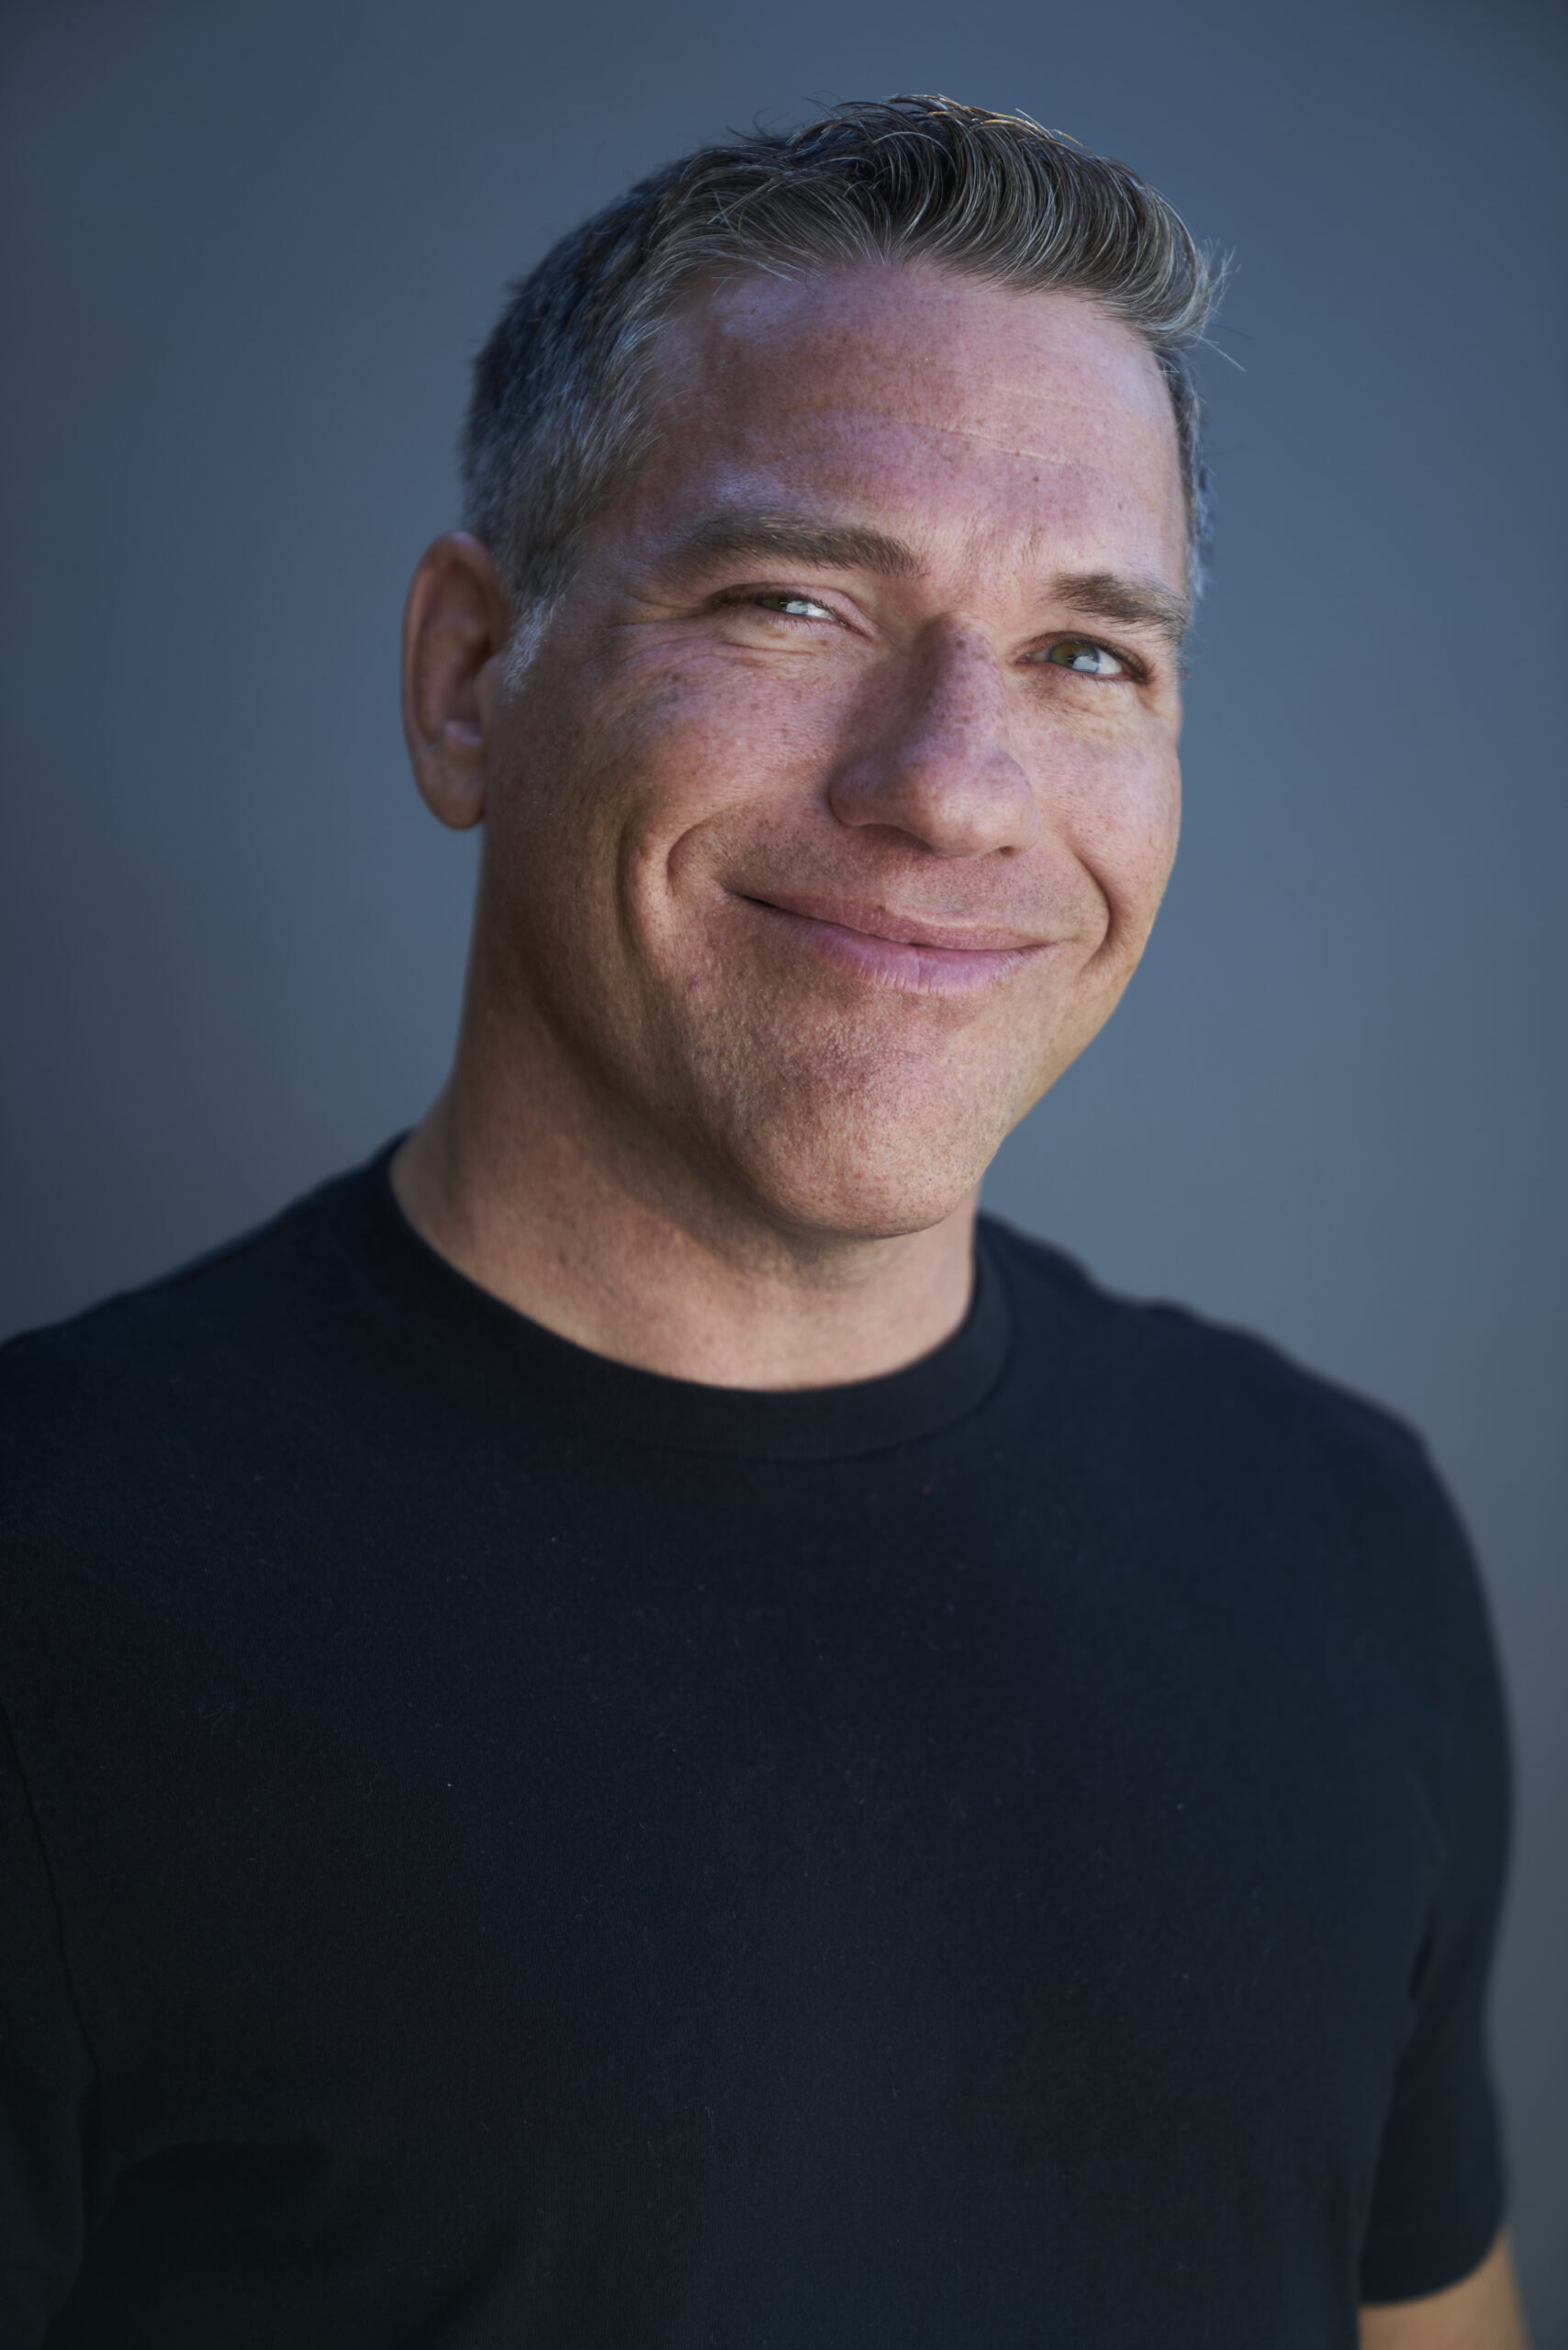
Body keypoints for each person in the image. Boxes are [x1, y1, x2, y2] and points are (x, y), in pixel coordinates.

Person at [0, 95, 1527, 2348]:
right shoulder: (52, 1588)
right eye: (792, 601)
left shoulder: (1338, 1538)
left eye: (1086, 653)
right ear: (466, 678)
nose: (952, 785)